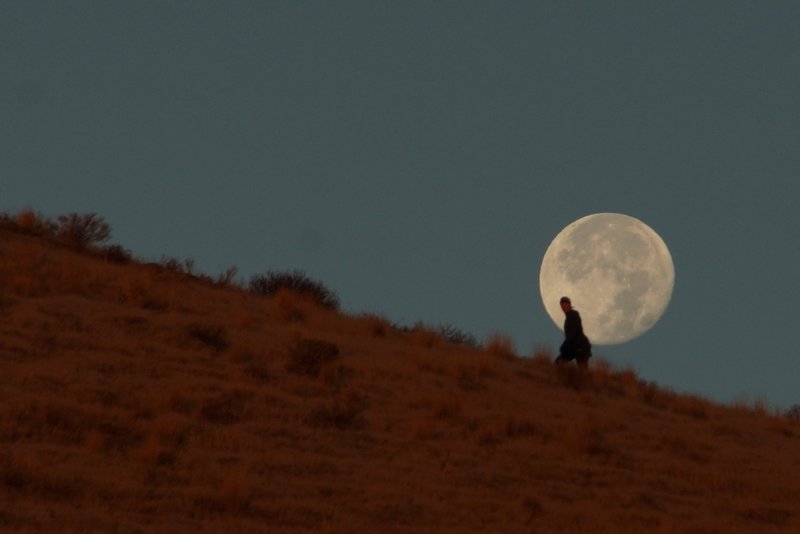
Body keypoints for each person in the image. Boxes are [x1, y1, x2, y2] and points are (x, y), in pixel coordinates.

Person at [555, 296, 592, 368]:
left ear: (569, 304)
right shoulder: (569, 317)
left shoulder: (573, 315)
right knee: (558, 364)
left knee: (583, 369)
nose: (563, 307)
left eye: (565, 304)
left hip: (580, 346)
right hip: (573, 346)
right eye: (562, 305)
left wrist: (564, 346)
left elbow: (574, 332)